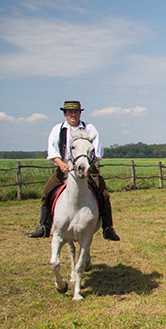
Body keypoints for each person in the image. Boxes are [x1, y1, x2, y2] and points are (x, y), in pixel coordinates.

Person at [27, 100, 120, 241]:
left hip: (88, 168)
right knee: (47, 193)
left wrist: (87, 165)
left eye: (75, 112)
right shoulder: (58, 129)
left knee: (104, 195)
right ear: (65, 114)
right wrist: (61, 164)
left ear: (80, 113)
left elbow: (98, 151)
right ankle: (44, 226)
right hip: (64, 168)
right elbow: (53, 150)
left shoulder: (90, 129)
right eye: (70, 112)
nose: (73, 115)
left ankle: (108, 228)